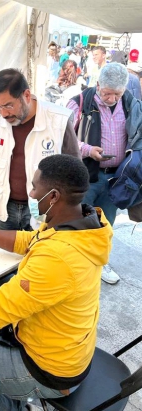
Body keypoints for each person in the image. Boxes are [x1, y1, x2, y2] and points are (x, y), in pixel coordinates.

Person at [0, 154, 112, 411]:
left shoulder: (59, 257)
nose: (30, 192)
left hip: (48, 368)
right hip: (63, 347)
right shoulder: (82, 223)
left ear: (53, 196)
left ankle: (13, 408)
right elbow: (30, 240)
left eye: (35, 187)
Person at [0, 68, 80, 230]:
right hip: (4, 209)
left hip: (43, 210)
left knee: (40, 254)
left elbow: (75, 171)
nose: (3, 113)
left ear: (27, 96)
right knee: (2, 255)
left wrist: (65, 210)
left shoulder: (58, 120)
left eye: (9, 105)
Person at [67, 62, 142, 284]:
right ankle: (74, 266)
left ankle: (100, 262)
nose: (111, 98)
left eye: (116, 94)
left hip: (115, 177)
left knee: (105, 224)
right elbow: (63, 136)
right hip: (86, 175)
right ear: (98, 84)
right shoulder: (79, 102)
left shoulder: (130, 103)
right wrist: (87, 150)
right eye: (107, 93)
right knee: (78, 221)